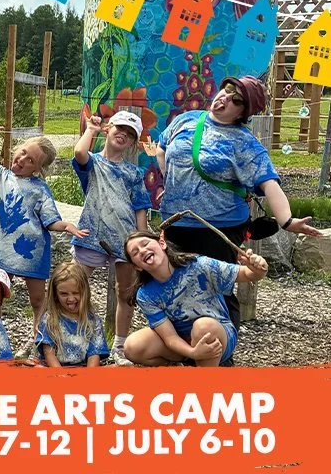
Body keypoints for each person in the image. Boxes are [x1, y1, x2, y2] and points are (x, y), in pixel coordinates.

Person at [148, 75, 321, 332]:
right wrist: (168, 183)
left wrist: (287, 220)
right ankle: (184, 349)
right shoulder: (187, 119)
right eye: (227, 90)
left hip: (218, 228)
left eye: (236, 99)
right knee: (175, 285)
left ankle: (223, 352)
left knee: (216, 287)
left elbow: (269, 182)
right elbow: (162, 147)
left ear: (243, 112)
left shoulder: (244, 142)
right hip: (176, 222)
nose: (226, 97)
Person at [0, 111, 88, 357]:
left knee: (37, 300)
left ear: (39, 169)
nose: (22, 160)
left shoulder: (40, 189)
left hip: (31, 253)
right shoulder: (0, 175)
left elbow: (50, 220)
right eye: (22, 152)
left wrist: (66, 226)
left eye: (31, 160)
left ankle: (40, 342)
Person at [71, 111, 151, 365]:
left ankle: (119, 345)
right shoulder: (93, 163)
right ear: (109, 129)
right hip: (90, 236)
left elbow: (140, 208)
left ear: (132, 143)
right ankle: (68, 336)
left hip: (125, 240)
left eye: (129, 135)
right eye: (119, 129)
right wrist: (90, 130)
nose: (122, 135)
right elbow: (79, 154)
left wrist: (140, 244)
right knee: (73, 284)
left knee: (126, 292)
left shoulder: (133, 173)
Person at [123, 231, 268, 367]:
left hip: (215, 331)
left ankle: (204, 381)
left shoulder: (198, 265)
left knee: (203, 326)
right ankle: (183, 367)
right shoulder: (145, 294)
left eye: (145, 244)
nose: (142, 251)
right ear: (137, 267)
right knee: (132, 346)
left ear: (162, 243)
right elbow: (170, 337)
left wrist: (258, 268)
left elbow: (248, 274)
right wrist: (192, 352)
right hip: (182, 341)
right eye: (135, 252)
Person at [34, 262, 109, 367]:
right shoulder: (49, 319)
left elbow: (94, 354)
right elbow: (49, 354)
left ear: (85, 292)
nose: (71, 299)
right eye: (64, 294)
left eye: (76, 293)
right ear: (56, 295)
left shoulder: (93, 321)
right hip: (54, 368)